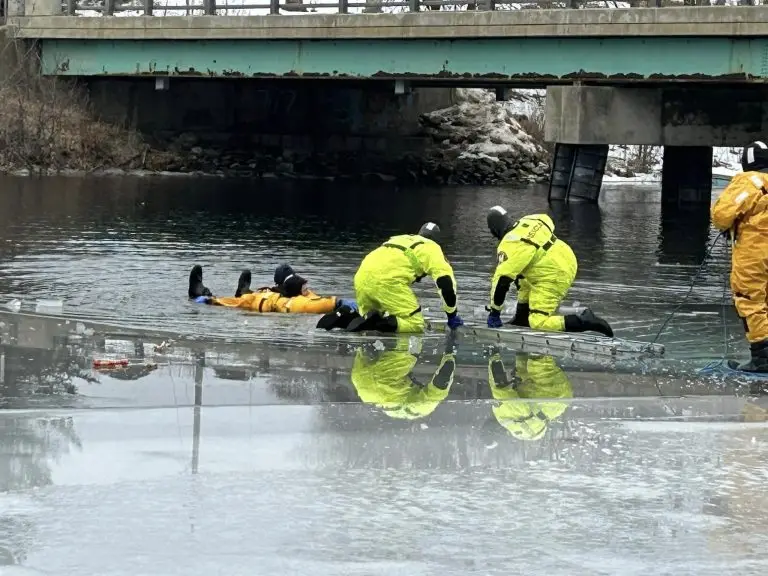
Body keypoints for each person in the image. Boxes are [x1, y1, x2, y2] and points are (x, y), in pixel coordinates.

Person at [485, 206, 613, 337]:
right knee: (523, 280)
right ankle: (522, 318)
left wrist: (494, 312)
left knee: (538, 323)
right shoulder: (529, 220)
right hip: (566, 257)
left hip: (553, 274)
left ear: (494, 229)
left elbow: (501, 282)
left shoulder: (509, 245)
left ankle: (584, 320)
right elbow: (548, 221)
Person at [341, 222, 463, 333]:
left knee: (366, 317)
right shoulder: (433, 248)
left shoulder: (401, 239)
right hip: (387, 282)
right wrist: (452, 315)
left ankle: (344, 316)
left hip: (361, 277)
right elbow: (446, 284)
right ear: (437, 241)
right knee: (415, 324)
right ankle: (377, 323)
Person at [711, 140, 768, 372]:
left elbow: (721, 215)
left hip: (754, 254)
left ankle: (762, 358)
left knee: (750, 300)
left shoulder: (749, 182)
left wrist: (730, 226)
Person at [350, 333, 457, 420]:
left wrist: (449, 354)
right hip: (362, 385)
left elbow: (440, 385)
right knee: (367, 340)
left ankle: (405, 325)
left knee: (413, 345)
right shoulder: (392, 413)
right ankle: (372, 338)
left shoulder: (419, 410)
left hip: (386, 382)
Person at [188, 264, 356, 314]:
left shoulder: (296, 301)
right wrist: (339, 302)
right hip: (263, 300)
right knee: (241, 299)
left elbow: (316, 304)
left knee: (242, 300)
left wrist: (340, 303)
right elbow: (318, 303)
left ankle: (201, 295)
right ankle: (200, 294)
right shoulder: (302, 298)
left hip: (263, 301)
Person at [487, 349, 572, 441]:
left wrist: (521, 353)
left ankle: (528, 349)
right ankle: (539, 347)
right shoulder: (507, 418)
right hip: (551, 397)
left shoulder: (522, 427)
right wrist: (493, 357)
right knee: (538, 366)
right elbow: (500, 387)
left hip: (557, 403)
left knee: (525, 375)